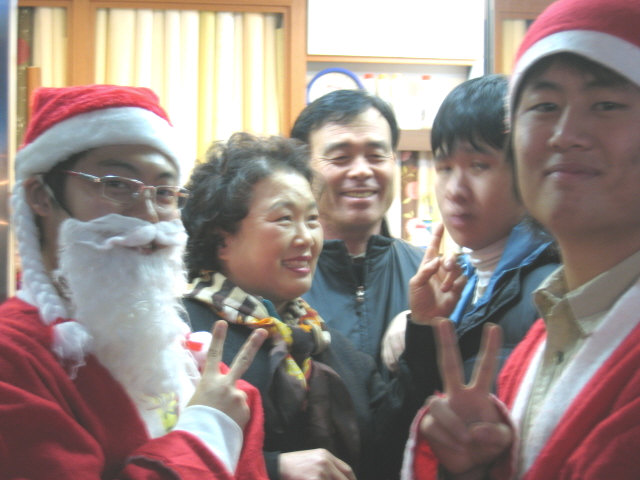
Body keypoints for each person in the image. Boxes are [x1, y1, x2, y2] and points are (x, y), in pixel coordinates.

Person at [402, 0, 640, 478]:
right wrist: (476, 463)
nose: (565, 134)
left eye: (606, 105)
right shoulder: (546, 330)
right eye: (544, 107)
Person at [0, 84, 270, 480]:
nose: (148, 217)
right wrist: (208, 429)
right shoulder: (12, 357)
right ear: (41, 196)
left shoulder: (177, 352)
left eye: (164, 193)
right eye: (116, 184)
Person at [181, 132, 437, 480]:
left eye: (313, 219)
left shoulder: (325, 343)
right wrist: (273, 469)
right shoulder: (183, 333)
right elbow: (155, 455)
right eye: (284, 219)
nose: (306, 238)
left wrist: (423, 326)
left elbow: (389, 451)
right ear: (222, 240)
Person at [381, 75, 559, 381]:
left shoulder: (551, 290)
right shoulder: (459, 280)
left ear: (527, 170)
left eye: (479, 166)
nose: (455, 190)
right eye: (445, 168)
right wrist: (420, 326)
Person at [290, 89, 424, 362]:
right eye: (340, 157)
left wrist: (421, 324)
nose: (362, 171)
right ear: (303, 169)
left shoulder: (428, 277)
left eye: (376, 155)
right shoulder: (277, 280)